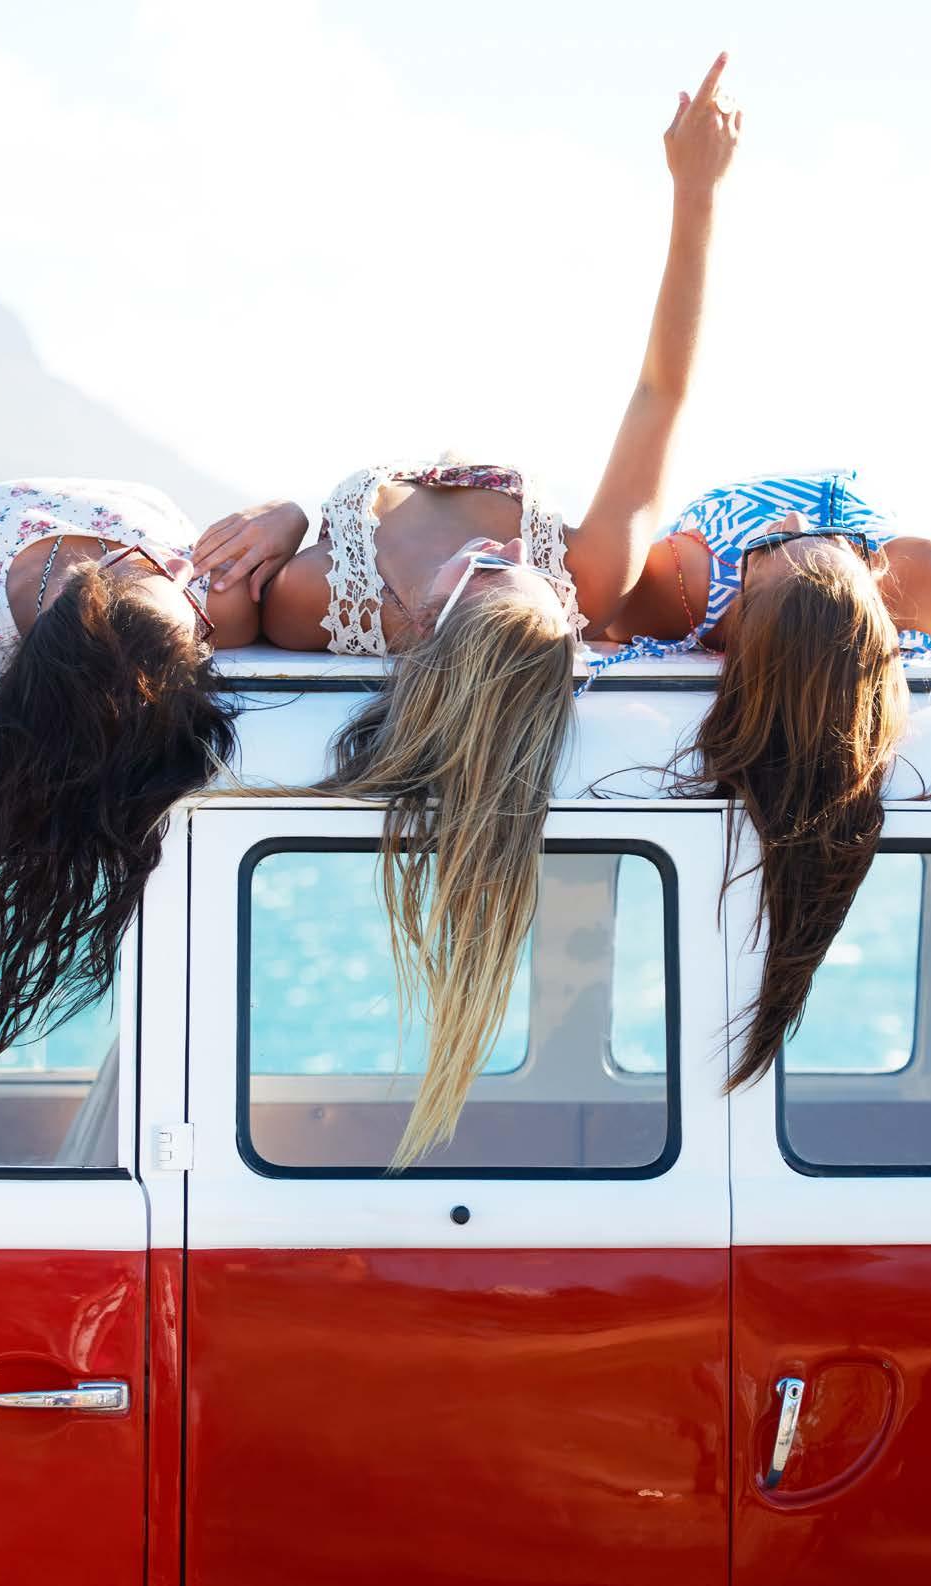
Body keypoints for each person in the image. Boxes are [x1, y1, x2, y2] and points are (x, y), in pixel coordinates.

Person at [238, 53, 741, 1167]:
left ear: (427, 625)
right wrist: (697, 193)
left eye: (496, 574)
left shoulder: (327, 602)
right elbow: (663, 389)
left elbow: (219, 591)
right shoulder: (585, 571)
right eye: (548, 599)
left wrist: (280, 520)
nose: (518, 557)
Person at [0, 477, 308, 1082]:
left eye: (162, 578)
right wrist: (287, 514)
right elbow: (294, 548)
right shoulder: (216, 606)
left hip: (4, 504)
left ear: (82, 583)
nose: (181, 569)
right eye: (179, 593)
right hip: (141, 494)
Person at [591, 469, 931, 1092]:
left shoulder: (682, 584)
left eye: (768, 547)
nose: (794, 522)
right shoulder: (919, 576)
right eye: (836, 541)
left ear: (740, 617)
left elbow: (593, 600)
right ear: (872, 575)